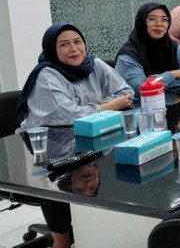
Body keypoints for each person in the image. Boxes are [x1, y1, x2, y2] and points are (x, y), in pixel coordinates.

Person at [16, 23, 133, 248]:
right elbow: (67, 115)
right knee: (51, 183)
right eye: (64, 45)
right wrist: (109, 105)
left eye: (77, 42)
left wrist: (99, 106)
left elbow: (126, 92)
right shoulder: (47, 75)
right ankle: (61, 241)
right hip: (50, 147)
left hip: (87, 140)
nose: (74, 49)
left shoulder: (94, 64)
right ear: (52, 49)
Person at [115, 3, 180, 95]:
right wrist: (175, 74)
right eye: (152, 19)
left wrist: (157, 84)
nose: (159, 24)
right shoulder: (128, 55)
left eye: (164, 20)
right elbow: (141, 89)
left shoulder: (173, 46)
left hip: (172, 101)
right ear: (142, 22)